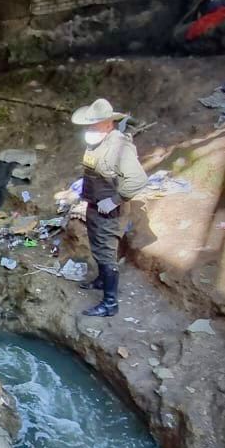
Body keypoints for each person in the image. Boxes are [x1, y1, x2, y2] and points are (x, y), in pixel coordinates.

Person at [70, 98, 148, 317]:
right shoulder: (98, 142)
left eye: (93, 125)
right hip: (95, 206)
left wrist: (114, 200)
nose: (88, 129)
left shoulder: (120, 147)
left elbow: (138, 180)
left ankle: (110, 303)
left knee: (106, 253)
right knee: (97, 246)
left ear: (107, 123)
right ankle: (101, 280)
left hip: (109, 210)